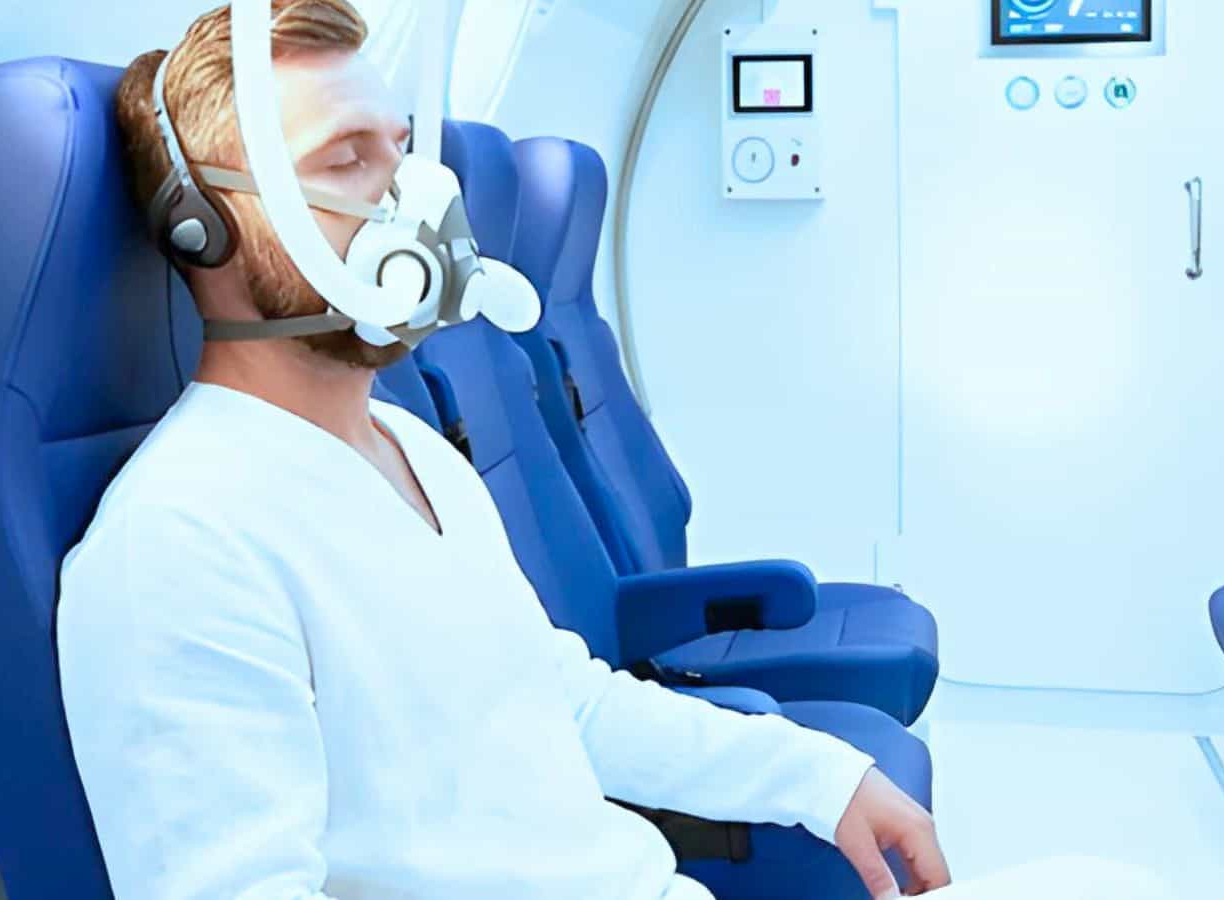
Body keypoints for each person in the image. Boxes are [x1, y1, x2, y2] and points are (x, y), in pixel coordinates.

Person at [55, 3, 951, 898]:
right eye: (344, 159)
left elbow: (568, 704)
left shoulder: (410, 448)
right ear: (201, 226)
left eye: (399, 151)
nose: (412, 198)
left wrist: (824, 780)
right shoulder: (180, 543)